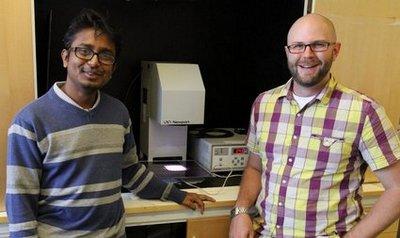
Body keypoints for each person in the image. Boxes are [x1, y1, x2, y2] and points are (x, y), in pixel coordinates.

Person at [6, 9, 214, 237]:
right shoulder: (30, 121)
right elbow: (20, 200)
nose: (94, 62)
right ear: (66, 57)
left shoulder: (118, 113)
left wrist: (178, 194)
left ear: (113, 68)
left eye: (105, 55)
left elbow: (131, 172)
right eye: (84, 51)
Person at [229, 13, 400, 238]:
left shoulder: (364, 111)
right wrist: (241, 211)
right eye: (298, 46)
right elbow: (255, 167)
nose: (307, 55)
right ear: (288, 52)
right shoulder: (264, 104)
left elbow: (397, 189)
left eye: (318, 45)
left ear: (335, 50)